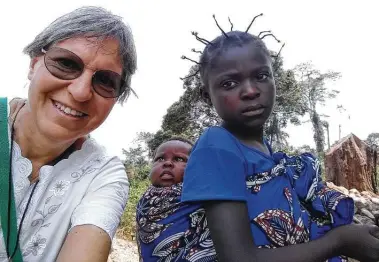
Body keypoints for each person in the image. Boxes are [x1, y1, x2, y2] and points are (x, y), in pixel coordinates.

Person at [181, 15, 379, 262]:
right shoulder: (217, 147)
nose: (251, 90)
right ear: (207, 95)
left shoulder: (264, 150)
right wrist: (338, 242)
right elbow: (238, 258)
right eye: (230, 83)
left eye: (261, 76)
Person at [0, 6, 136, 262]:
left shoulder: (103, 174)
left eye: (106, 81)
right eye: (65, 63)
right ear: (33, 65)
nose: (81, 91)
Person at [136, 137, 217, 261]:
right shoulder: (145, 202)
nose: (167, 163)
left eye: (179, 159)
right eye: (160, 158)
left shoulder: (206, 194)